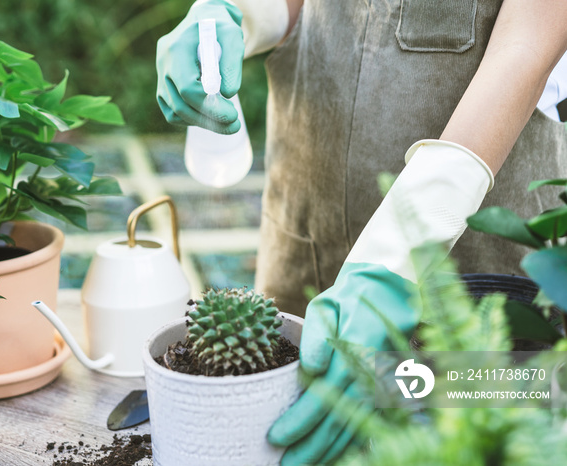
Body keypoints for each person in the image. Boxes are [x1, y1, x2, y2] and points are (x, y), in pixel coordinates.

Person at [157, 0, 567, 464]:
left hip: (474, 270)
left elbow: (529, 41)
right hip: (307, 228)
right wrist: (240, 13)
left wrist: (395, 259)